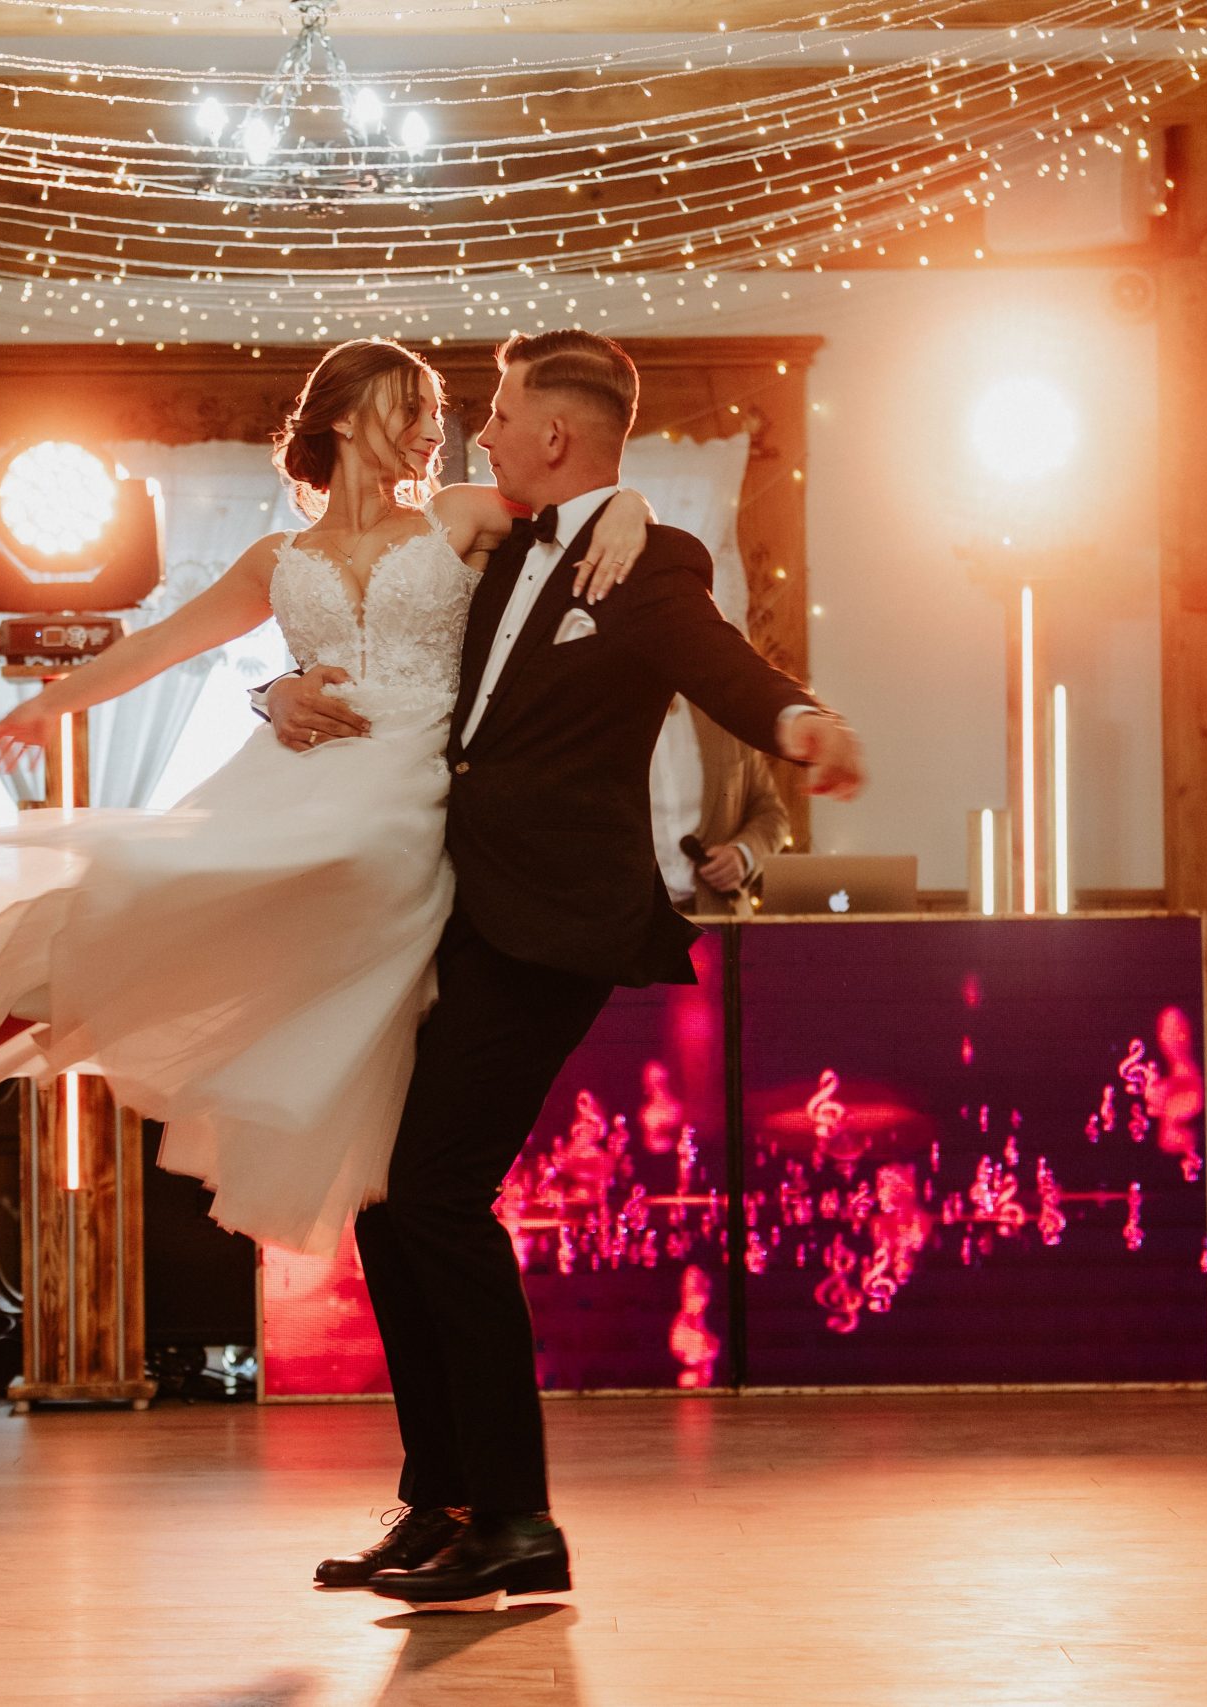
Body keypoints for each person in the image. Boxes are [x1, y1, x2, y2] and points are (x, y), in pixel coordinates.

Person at [0, 338, 659, 1264]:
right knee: (88, 925)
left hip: (399, 801)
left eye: (436, 412)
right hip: (287, 785)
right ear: (344, 419)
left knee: (315, 875)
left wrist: (632, 505)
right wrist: (62, 702)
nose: (433, 429)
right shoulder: (276, 558)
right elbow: (159, 644)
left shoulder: (461, 514)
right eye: (412, 407)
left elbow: (577, 507)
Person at [267, 330, 865, 1611]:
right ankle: (446, 1503)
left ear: (552, 434)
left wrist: (799, 722)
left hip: (553, 923)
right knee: (387, 1198)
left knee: (434, 1195)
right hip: (445, 908)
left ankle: (518, 1522)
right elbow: (375, 631)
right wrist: (276, 687)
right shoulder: (495, 545)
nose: (478, 434)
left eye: (497, 414)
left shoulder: (649, 561)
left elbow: (718, 663)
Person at [655, 695, 791, 914]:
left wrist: (743, 854)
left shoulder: (725, 716)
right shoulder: (605, 724)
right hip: (630, 921)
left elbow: (771, 813)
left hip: (720, 915)